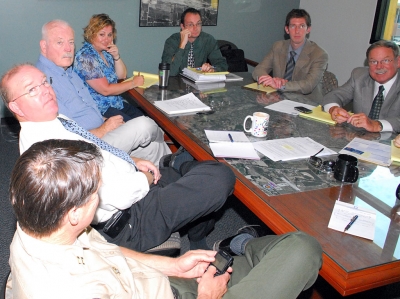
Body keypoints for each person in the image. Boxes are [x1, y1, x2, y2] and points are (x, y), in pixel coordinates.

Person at [7, 138, 322, 298]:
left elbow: (104, 250)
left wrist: (173, 265)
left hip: (155, 283)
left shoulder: (39, 223)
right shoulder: (70, 292)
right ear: (74, 212)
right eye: (95, 191)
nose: (100, 194)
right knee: (303, 249)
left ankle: (232, 257)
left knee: (276, 253)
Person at [0, 63, 236, 252]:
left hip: (132, 185)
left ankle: (180, 176)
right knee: (221, 175)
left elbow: (96, 147)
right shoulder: (46, 154)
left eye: (44, 82)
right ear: (16, 107)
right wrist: (143, 177)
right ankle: (178, 168)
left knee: (200, 168)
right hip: (132, 221)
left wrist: (130, 160)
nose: (46, 90)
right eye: (32, 89)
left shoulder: (54, 120)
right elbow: (115, 196)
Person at [36, 19, 171, 166]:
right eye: (60, 43)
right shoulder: (42, 84)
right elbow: (64, 138)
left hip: (102, 126)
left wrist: (103, 120)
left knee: (154, 147)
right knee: (145, 125)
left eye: (71, 42)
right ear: (44, 46)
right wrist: (103, 129)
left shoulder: (67, 70)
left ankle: (172, 174)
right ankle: (165, 142)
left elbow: (119, 77)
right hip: (86, 148)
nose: (68, 49)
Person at [74, 13, 144, 121]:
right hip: (99, 109)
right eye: (102, 34)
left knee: (144, 120)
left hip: (116, 103)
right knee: (137, 127)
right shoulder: (86, 57)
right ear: (91, 34)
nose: (106, 39)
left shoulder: (105, 52)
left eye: (109, 35)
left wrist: (116, 56)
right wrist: (133, 83)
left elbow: (122, 75)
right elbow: (105, 90)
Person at [323, 40, 400, 133]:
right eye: (373, 62)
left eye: (386, 60)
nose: (379, 67)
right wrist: (334, 109)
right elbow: (333, 96)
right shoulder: (359, 76)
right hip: (357, 138)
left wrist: (376, 125)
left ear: (398, 61)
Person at [252, 9, 328, 102]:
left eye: (302, 26)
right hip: (277, 99)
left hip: (306, 104)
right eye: (293, 26)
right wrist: (267, 79)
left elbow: (308, 85)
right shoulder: (278, 47)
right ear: (287, 29)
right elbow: (259, 70)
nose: (297, 31)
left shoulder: (319, 54)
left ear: (308, 29)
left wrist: (281, 85)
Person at [162, 7, 228, 76]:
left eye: (198, 24)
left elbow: (222, 64)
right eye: (190, 24)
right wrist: (181, 46)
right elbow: (169, 73)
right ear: (182, 26)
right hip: (176, 83)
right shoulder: (172, 41)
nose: (195, 28)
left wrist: (213, 69)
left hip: (199, 83)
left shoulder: (208, 39)